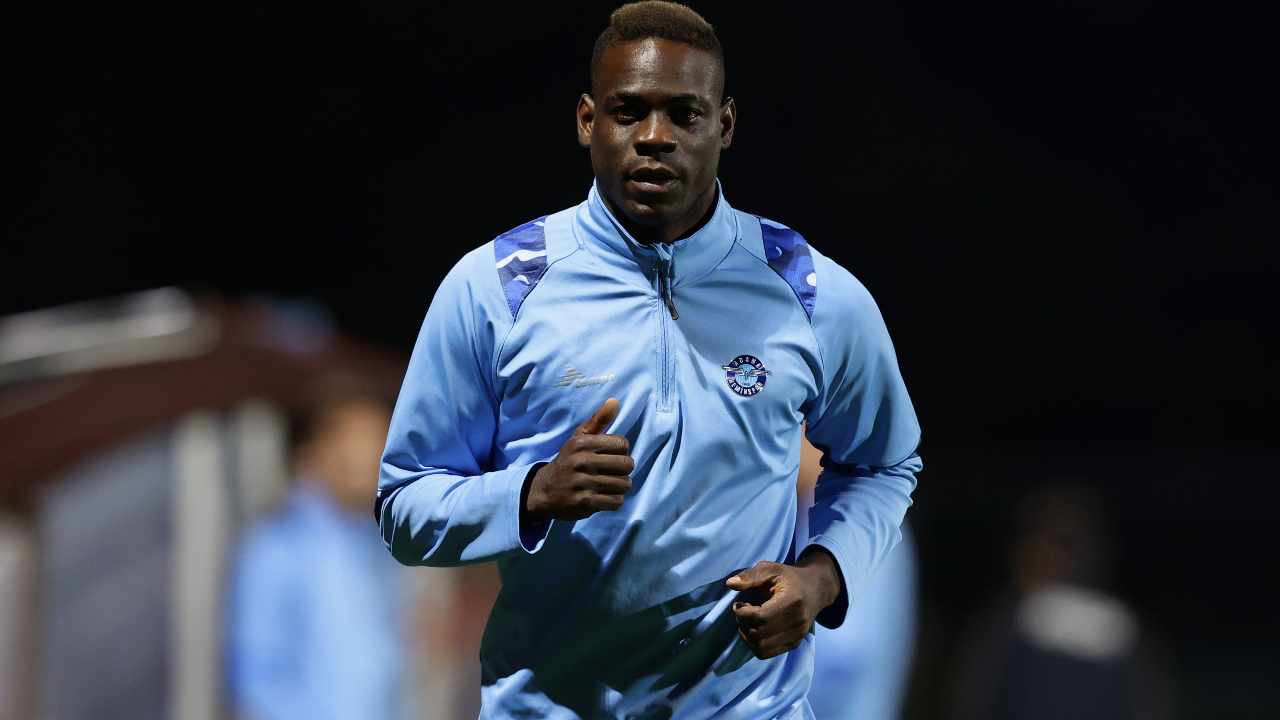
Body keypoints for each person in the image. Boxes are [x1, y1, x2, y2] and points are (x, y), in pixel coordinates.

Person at [377, 2, 923, 717]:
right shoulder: (495, 288)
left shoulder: (813, 294)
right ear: (587, 121)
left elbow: (885, 464)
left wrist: (822, 578)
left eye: (684, 115)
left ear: (725, 125)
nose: (655, 137)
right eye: (628, 112)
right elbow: (404, 504)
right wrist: (531, 493)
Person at [226, 384, 408, 720]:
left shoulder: (373, 539)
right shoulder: (277, 547)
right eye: (356, 440)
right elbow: (258, 686)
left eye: (379, 440)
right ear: (312, 452)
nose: (371, 455)